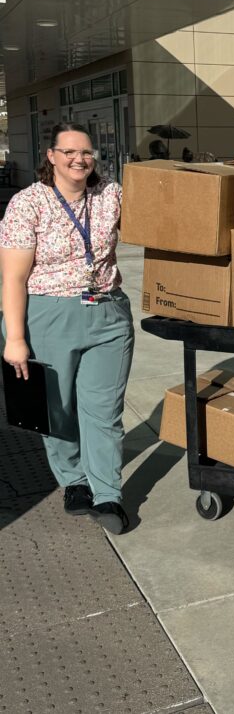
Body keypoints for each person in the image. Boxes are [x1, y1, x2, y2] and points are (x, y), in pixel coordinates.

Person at [0, 123, 134, 534]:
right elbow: (12, 279)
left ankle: (107, 491)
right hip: (48, 315)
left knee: (103, 411)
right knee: (55, 410)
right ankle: (74, 481)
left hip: (108, 313)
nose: (79, 159)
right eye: (70, 151)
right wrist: (16, 338)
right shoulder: (28, 204)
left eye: (87, 152)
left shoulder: (110, 194)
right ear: (51, 156)